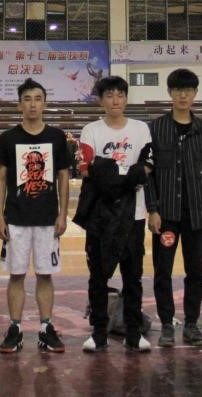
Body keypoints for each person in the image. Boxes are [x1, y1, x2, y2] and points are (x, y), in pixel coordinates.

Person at [0, 78, 71, 353]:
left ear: (45, 104)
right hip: (16, 219)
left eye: (38, 99)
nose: (33, 104)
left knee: (45, 275)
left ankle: (45, 328)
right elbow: (0, 180)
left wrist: (63, 214)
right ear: (19, 105)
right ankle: (15, 328)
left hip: (48, 219)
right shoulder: (7, 139)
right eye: (27, 99)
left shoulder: (57, 137)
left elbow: (63, 176)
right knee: (16, 275)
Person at [144, 68, 202, 348]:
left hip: (197, 216)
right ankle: (166, 324)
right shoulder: (155, 129)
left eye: (188, 90)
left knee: (195, 271)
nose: (183, 95)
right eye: (178, 90)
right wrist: (153, 209)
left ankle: (191, 324)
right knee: (162, 271)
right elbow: (148, 175)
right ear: (170, 93)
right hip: (166, 216)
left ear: (195, 93)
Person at [77, 75, 152, 353]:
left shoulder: (141, 129)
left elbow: (147, 168)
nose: (115, 100)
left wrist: (109, 171)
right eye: (109, 95)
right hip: (101, 215)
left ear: (126, 98)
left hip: (134, 215)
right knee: (98, 277)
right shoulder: (91, 131)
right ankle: (99, 333)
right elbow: (87, 169)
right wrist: (127, 177)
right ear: (101, 100)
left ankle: (134, 332)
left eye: (120, 95)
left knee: (133, 276)